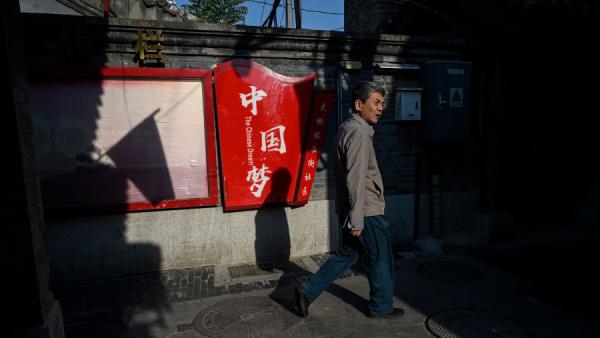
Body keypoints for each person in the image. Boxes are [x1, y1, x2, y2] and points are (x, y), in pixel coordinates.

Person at [293, 81, 404, 319]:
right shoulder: (359, 132)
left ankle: (307, 290)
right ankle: (381, 306)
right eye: (375, 102)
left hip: (351, 208)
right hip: (366, 210)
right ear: (358, 104)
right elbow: (355, 177)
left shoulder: (347, 127)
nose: (380, 108)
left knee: (348, 254)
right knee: (380, 257)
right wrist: (357, 219)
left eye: (382, 103)